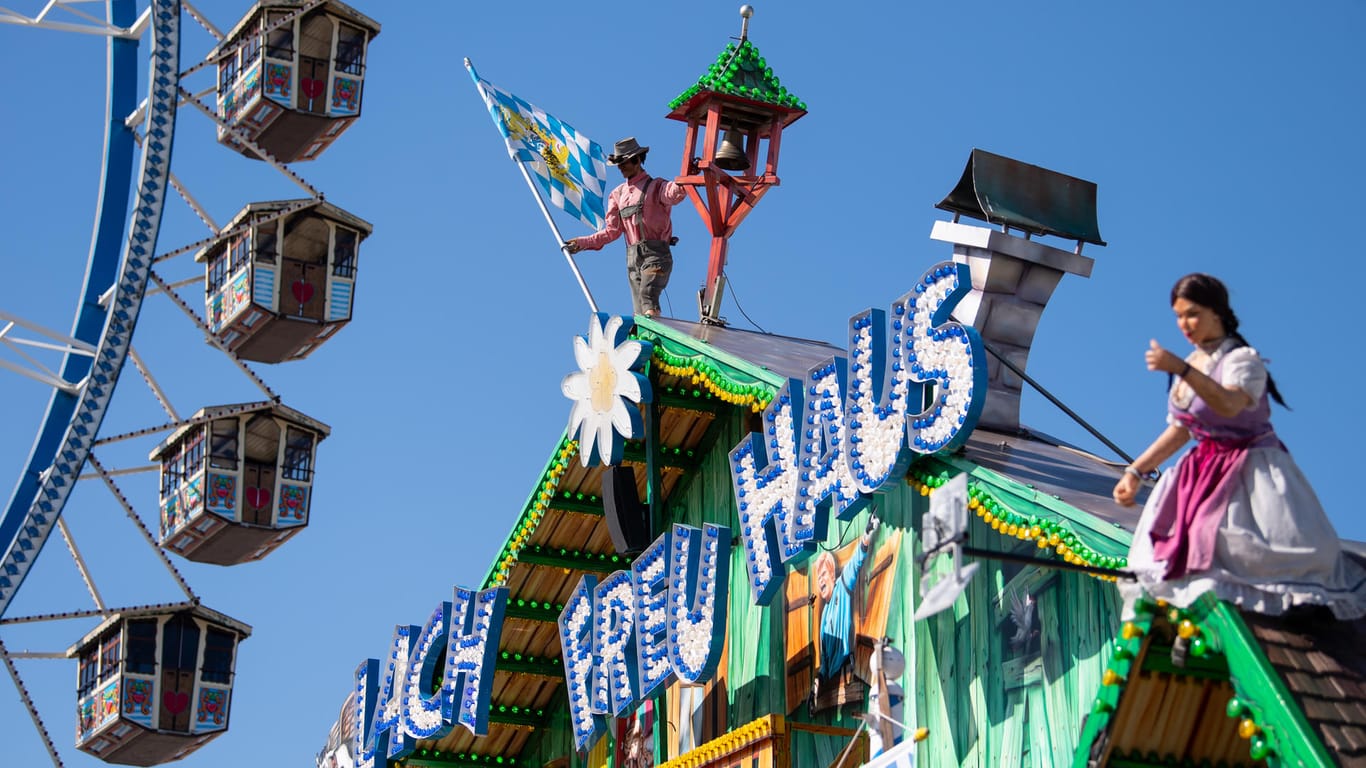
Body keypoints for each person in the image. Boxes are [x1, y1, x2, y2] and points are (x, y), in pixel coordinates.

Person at [1113, 273, 1365, 619]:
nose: (1184, 324)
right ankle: (1193, 624)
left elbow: (1229, 405)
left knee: (1242, 550)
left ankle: (1257, 627)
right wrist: (1136, 471)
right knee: (1176, 553)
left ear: (1216, 312)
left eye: (1192, 313)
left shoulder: (1242, 360)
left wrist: (1181, 370)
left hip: (1249, 470)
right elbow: (1182, 430)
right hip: (1199, 474)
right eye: (1178, 316)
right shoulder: (1196, 363)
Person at [565, 137, 686, 318]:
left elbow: (674, 194)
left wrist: (685, 180)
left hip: (656, 254)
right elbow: (611, 231)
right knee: (639, 312)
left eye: (624, 162)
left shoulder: (656, 186)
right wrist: (582, 242)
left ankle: (657, 333)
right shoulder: (618, 194)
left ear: (637, 160)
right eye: (618, 163)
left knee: (648, 296)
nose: (620, 168)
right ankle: (648, 341)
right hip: (632, 259)